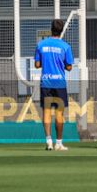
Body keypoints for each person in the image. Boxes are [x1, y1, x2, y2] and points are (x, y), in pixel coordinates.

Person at [33, 20, 74, 152]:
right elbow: (69, 67)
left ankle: (48, 141)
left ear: (51, 29)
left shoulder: (41, 45)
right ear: (61, 30)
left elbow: (37, 65)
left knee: (46, 112)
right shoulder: (65, 46)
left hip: (46, 83)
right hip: (59, 84)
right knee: (59, 114)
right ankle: (59, 143)